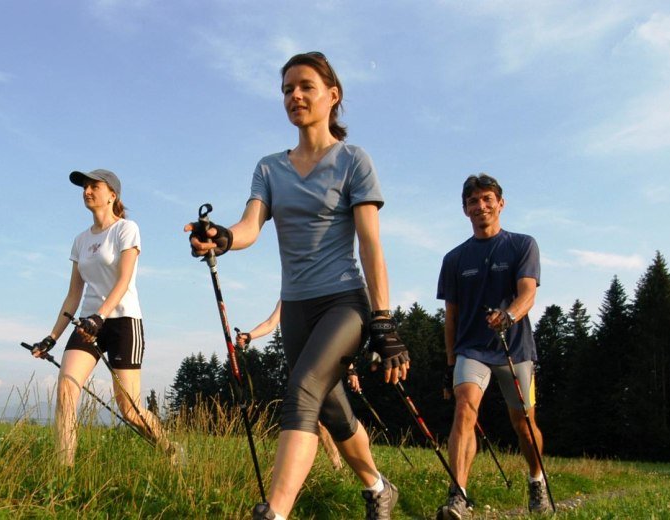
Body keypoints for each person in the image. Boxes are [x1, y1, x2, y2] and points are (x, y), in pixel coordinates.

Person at [186, 52, 410, 520]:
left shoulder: (353, 161)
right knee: (330, 409)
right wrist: (222, 238)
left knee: (303, 386)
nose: (295, 96)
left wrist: (383, 320)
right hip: (297, 309)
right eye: (287, 88)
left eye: (306, 86)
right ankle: (377, 486)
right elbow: (250, 226)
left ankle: (275, 512)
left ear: (333, 95)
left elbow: (371, 246)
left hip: (345, 302)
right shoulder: (270, 168)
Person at [31, 169, 178, 466]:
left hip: (123, 321)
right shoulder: (81, 240)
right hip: (87, 323)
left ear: (112, 194)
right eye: (84, 187)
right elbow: (73, 294)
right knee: (66, 389)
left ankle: (169, 449)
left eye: (93, 186)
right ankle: (64, 468)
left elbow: (124, 280)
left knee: (130, 409)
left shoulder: (126, 229)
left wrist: (100, 316)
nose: (86, 191)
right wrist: (52, 337)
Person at [436, 173, 549, 518]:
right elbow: (451, 316)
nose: (481, 206)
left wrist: (509, 315)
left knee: (524, 425)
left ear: (501, 203)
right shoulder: (454, 259)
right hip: (472, 350)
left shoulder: (522, 244)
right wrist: (451, 360)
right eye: (473, 201)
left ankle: (536, 480)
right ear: (465, 210)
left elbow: (528, 293)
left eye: (487, 199)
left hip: (515, 349)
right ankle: (458, 494)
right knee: (464, 408)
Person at [235, 300, 363, 471]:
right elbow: (270, 323)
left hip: (324, 365)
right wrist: (249, 336)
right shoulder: (288, 297)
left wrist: (351, 370)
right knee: (315, 422)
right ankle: (335, 468)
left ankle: (356, 467)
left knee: (336, 421)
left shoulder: (322, 296)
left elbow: (339, 337)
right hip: (301, 370)